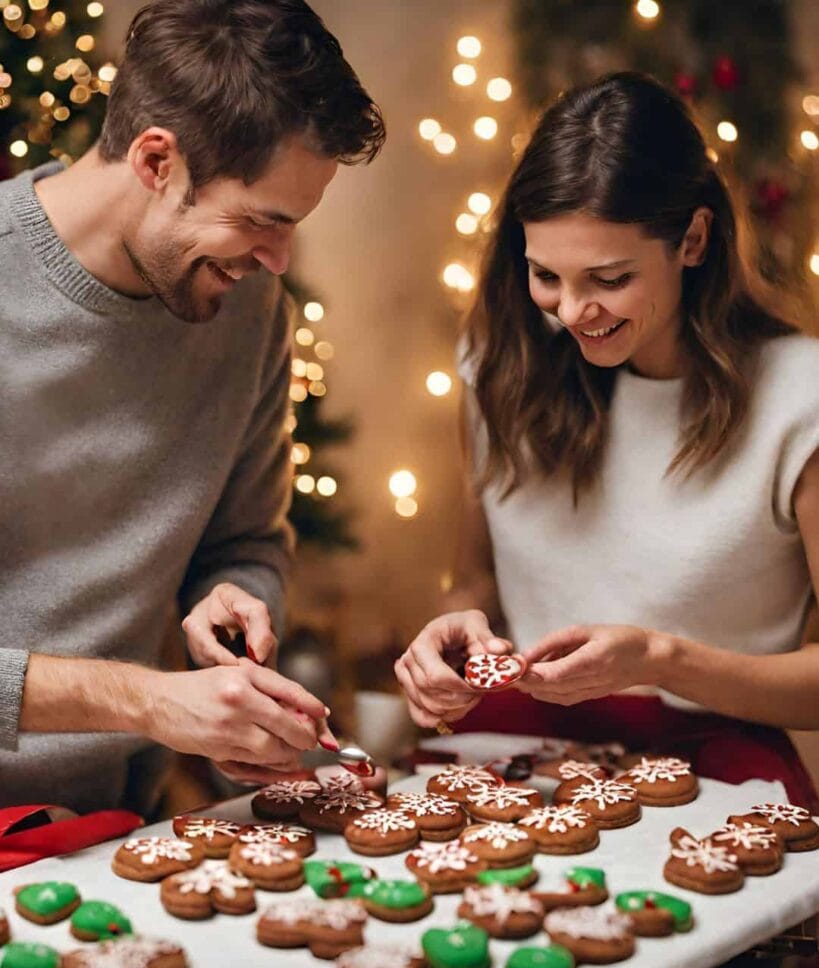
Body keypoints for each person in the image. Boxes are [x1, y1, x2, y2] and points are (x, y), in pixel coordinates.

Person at [0, 0, 385, 815]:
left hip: (106, 832)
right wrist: (147, 701)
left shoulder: (250, 315)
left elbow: (247, 541)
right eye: (258, 221)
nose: (277, 260)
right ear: (155, 161)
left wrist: (232, 597)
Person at [395, 71, 819, 809]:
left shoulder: (797, 398)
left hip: (714, 763)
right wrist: (453, 634)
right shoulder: (500, 365)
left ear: (690, 239)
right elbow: (477, 582)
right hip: (521, 748)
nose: (571, 311)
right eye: (544, 276)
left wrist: (659, 659)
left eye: (609, 277)